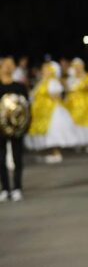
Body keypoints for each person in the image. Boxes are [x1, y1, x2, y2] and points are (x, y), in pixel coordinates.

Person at [0, 56, 30, 202]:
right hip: (0, 129)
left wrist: (25, 127)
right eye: (6, 64)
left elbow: (26, 108)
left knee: (18, 158)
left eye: (11, 64)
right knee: (1, 159)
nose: (9, 67)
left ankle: (17, 188)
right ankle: (5, 189)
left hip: (17, 129)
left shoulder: (19, 86)